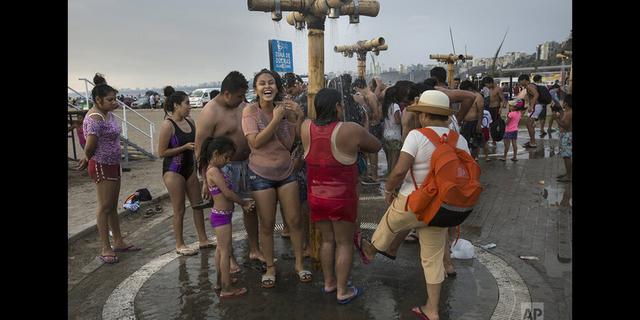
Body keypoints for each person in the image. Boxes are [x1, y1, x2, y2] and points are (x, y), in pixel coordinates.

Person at [363, 90, 471, 320]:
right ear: (445, 116)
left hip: (413, 201)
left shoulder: (416, 136)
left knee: (390, 221)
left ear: (423, 115)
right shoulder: (459, 140)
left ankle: (372, 251)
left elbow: (400, 170)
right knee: (432, 259)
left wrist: (389, 190)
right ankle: (432, 310)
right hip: (441, 207)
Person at [301, 88, 381, 303]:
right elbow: (375, 145)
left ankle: (329, 283)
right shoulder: (350, 129)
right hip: (341, 198)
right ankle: (343, 290)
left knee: (327, 241)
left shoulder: (306, 127)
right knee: (344, 243)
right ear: (337, 106)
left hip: (316, 196)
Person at [242, 69, 310, 288]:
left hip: (286, 171)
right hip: (260, 173)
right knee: (267, 224)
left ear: (277, 87)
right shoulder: (250, 112)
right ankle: (270, 267)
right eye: (262, 83)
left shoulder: (284, 110)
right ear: (256, 89)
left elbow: (291, 142)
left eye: (271, 82)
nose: (267, 86)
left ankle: (299, 264)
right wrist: (276, 119)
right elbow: (255, 143)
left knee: (295, 220)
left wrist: (298, 116)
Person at [195, 71, 264, 268]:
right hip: (223, 169)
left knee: (250, 207)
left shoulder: (243, 107)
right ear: (226, 93)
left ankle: (254, 249)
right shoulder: (210, 112)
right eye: (239, 96)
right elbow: (200, 148)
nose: (243, 99)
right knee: (226, 211)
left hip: (247, 164)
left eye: (244, 96)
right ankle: (229, 256)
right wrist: (205, 181)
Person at [77, 83, 141, 264]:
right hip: (101, 164)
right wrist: (86, 158)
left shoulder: (108, 114)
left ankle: (118, 241)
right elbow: (90, 144)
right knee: (104, 206)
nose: (114, 102)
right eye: (110, 99)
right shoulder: (95, 118)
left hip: (113, 163)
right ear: (98, 100)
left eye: (115, 99)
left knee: (112, 206)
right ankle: (105, 247)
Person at [158, 91, 213, 256]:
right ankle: (179, 244)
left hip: (190, 168)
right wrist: (183, 148)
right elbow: (161, 152)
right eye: (187, 103)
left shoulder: (190, 121)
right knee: (179, 208)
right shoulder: (167, 125)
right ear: (176, 105)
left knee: (197, 204)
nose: (190, 107)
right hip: (173, 170)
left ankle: (203, 239)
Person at [199, 136, 254, 298]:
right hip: (221, 217)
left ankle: (219, 282)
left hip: (223, 216)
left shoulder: (214, 170)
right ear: (216, 154)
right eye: (226, 157)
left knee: (220, 251)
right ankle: (226, 288)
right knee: (225, 251)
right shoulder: (213, 171)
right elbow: (228, 194)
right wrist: (243, 203)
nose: (228, 161)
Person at [353, 78, 382, 185]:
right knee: (369, 152)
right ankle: (371, 174)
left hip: (374, 126)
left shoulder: (370, 96)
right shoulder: (368, 96)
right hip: (371, 125)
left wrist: (367, 115)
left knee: (372, 152)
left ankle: (375, 176)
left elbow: (376, 114)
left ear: (358, 87)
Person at [459, 80, 484, 159]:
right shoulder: (465, 96)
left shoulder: (478, 96)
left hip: (474, 122)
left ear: (469, 88)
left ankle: (474, 158)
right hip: (465, 122)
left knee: (475, 143)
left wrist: (479, 124)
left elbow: (480, 111)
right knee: (464, 141)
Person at [381, 86, 403, 176]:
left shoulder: (385, 105)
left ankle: (389, 175)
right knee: (395, 159)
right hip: (395, 135)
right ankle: (392, 179)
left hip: (386, 133)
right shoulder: (395, 106)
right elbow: (397, 121)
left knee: (389, 159)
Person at [518, 74, 542, 149]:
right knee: (530, 125)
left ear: (525, 80)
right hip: (536, 106)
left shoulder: (529, 86)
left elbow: (536, 95)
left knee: (528, 124)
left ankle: (533, 142)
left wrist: (531, 106)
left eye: (520, 81)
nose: (520, 83)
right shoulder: (530, 86)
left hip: (535, 106)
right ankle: (532, 141)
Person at [554, 94, 572, 182]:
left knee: (566, 156)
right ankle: (568, 173)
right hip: (566, 135)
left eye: (564, 102)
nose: (562, 103)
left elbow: (566, 125)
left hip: (567, 136)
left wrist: (556, 119)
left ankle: (569, 176)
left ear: (567, 103)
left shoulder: (569, 113)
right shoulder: (567, 112)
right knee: (566, 156)